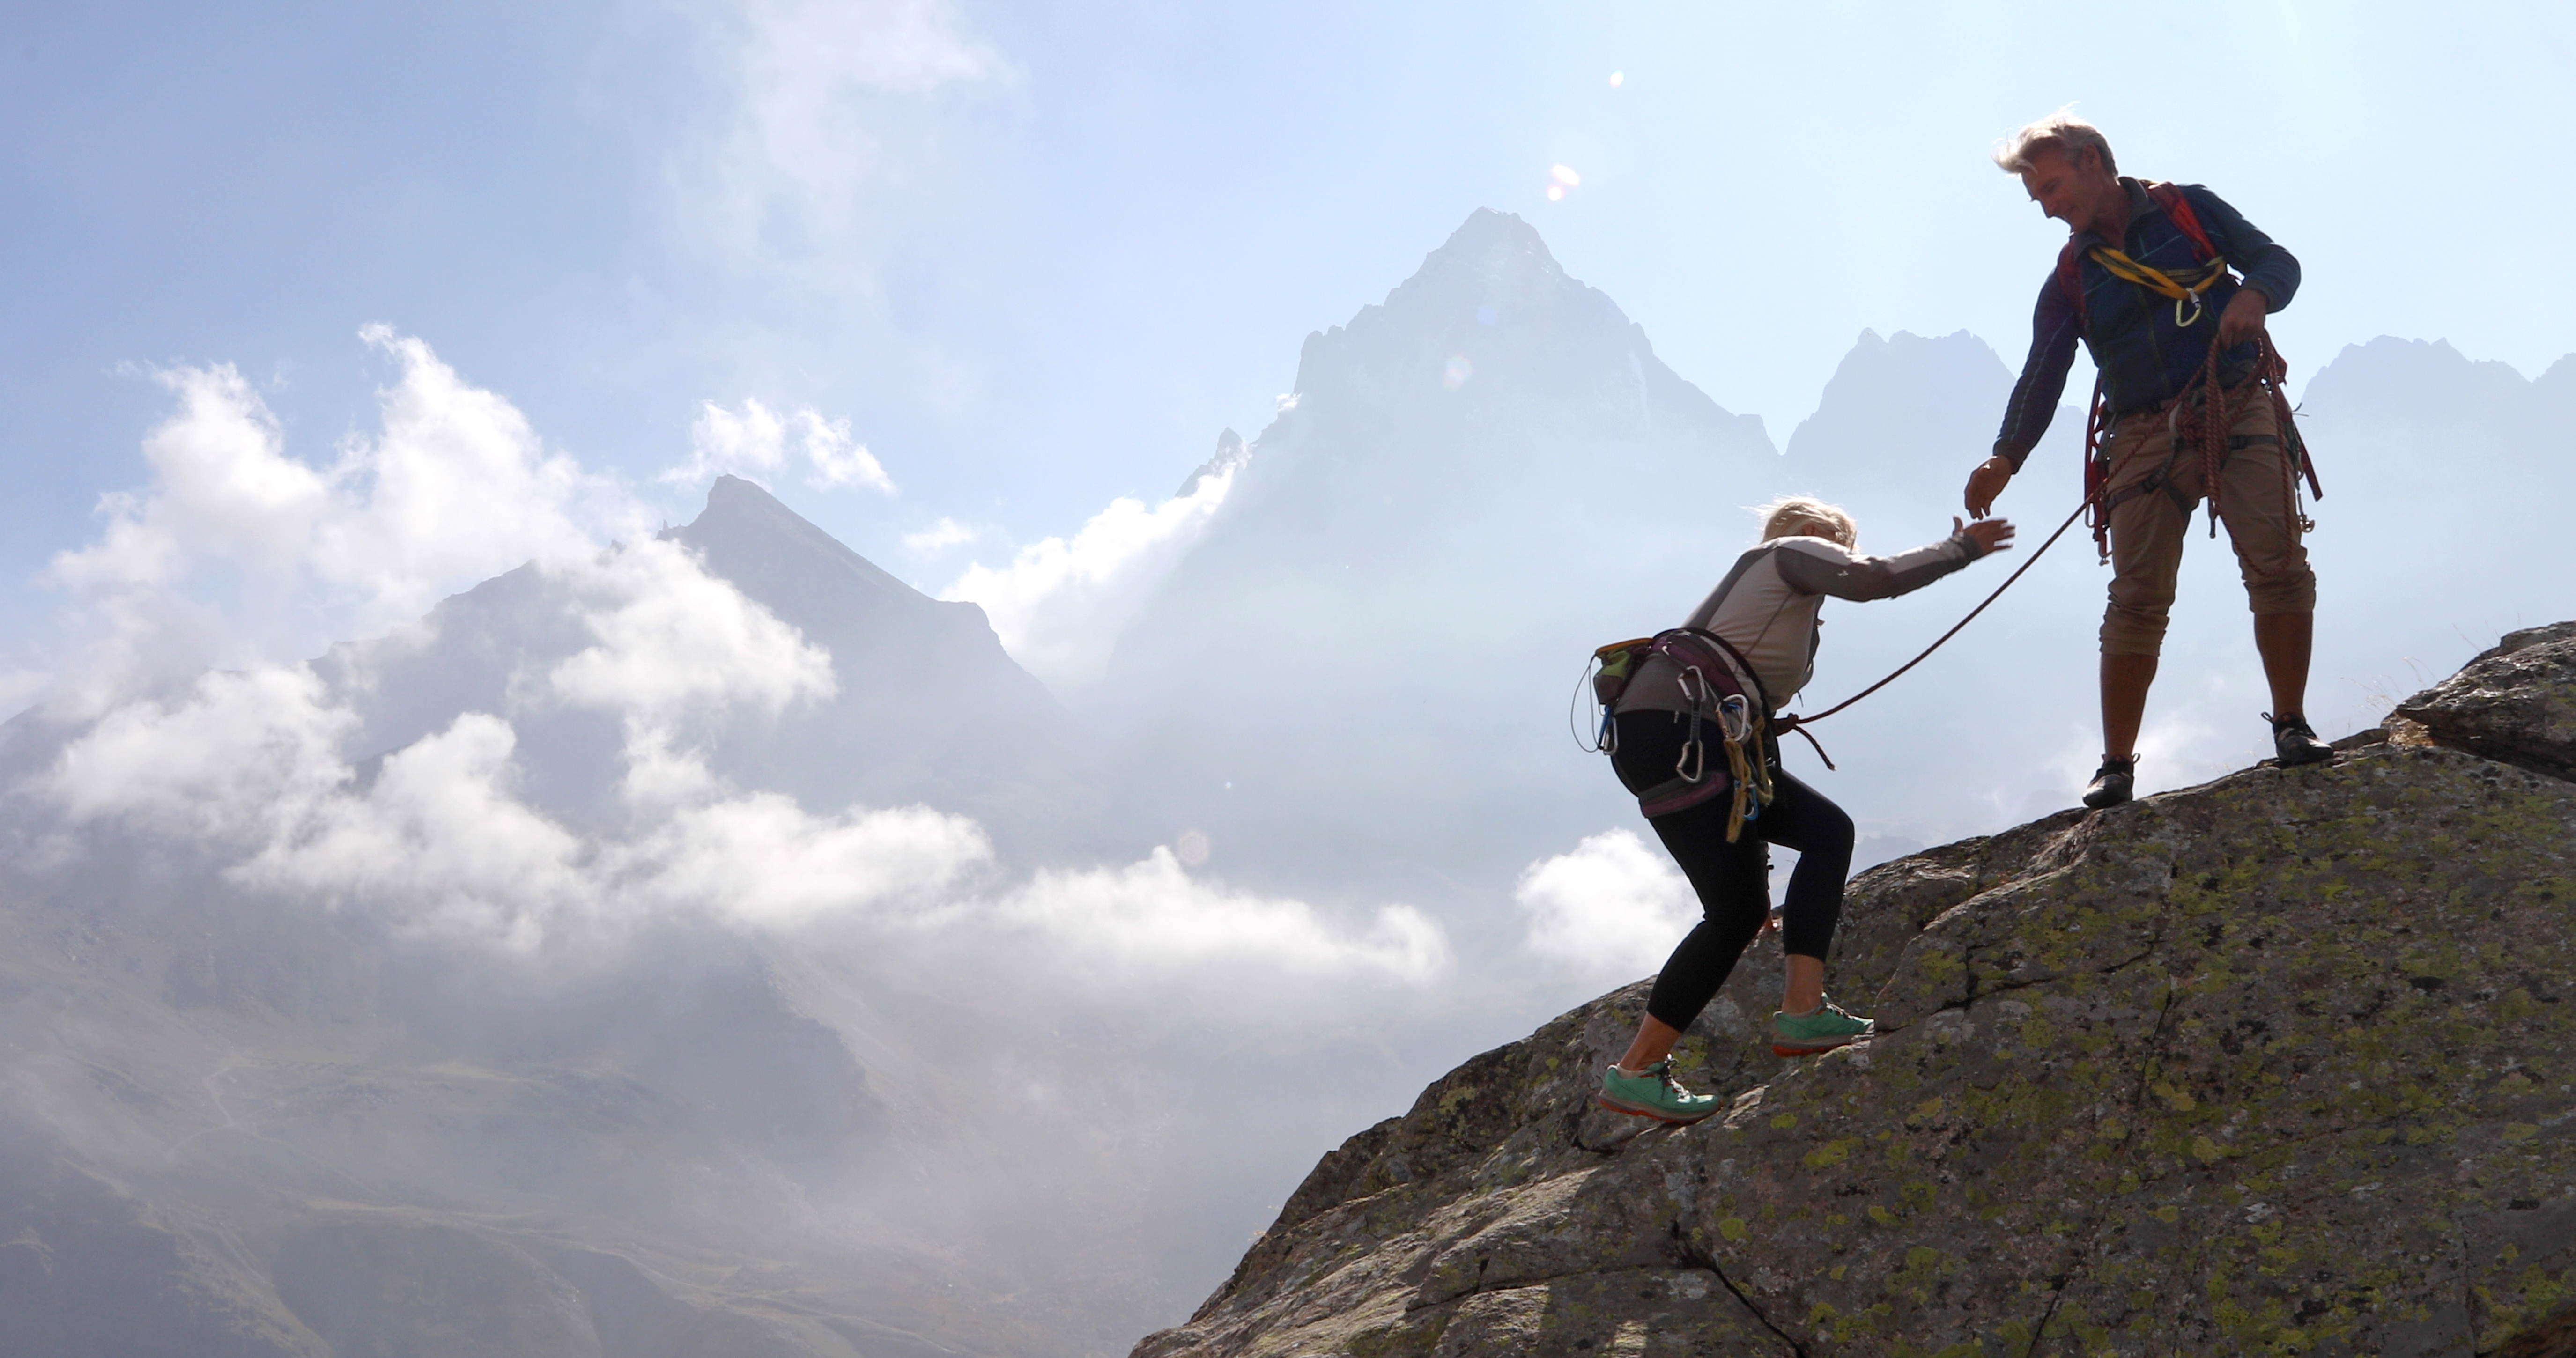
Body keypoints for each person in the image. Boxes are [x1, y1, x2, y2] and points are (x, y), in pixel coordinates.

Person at [1596, 497, 2014, 1125]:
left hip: (1662, 740)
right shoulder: (1787, 554)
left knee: (1746, 903)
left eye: (1839, 538)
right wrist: (1962, 550)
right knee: (1812, 846)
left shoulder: (1769, 599)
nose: (1834, 545)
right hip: (1689, 733)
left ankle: (1649, 1067)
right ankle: (1794, 1013)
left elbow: (1745, 734)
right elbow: (1875, 579)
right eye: (1832, 537)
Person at [1964, 112, 2331, 811]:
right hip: (2138, 433)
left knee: (2279, 563)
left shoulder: (2187, 209)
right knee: (2136, 600)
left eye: (2051, 185)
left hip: (2234, 401)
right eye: (2036, 195)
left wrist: (2253, 295)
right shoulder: (2073, 274)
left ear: (2094, 159)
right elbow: (2043, 371)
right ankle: (2117, 766)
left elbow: (2278, 262)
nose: (2045, 205)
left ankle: (2291, 725)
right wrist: (2005, 456)